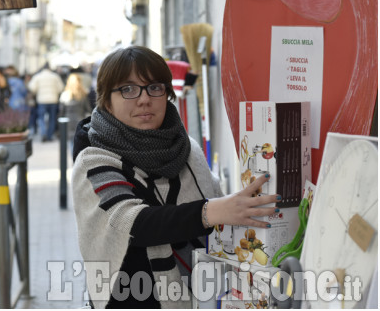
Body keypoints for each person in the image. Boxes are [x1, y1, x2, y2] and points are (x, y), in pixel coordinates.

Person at [72, 46, 280, 308]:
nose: (144, 99)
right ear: (106, 101)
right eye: (128, 89)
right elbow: (130, 223)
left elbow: (217, 208)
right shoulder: (93, 160)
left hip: (203, 297)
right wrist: (210, 212)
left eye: (155, 87)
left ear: (167, 93)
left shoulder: (186, 148)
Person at [28, 62, 64, 142]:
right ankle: (49, 135)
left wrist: (37, 92)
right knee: (52, 118)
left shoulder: (38, 76)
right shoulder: (55, 76)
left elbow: (32, 87)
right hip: (53, 100)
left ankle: (43, 133)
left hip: (42, 100)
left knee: (41, 118)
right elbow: (60, 88)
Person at [59, 73, 93, 151]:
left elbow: (61, 112)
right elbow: (88, 109)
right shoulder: (83, 95)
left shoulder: (65, 95)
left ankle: (74, 160)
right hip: (79, 120)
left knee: (71, 143)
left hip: (67, 122)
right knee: (78, 143)